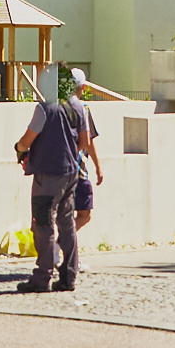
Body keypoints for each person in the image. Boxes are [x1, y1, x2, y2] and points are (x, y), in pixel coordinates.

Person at [12, 64, 96, 292]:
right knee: (67, 223)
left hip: (47, 174)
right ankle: (69, 277)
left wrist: (19, 148)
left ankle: (42, 277)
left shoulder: (45, 108)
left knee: (43, 224)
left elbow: (26, 141)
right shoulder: (78, 107)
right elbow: (84, 142)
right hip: (71, 173)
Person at [69, 68, 106, 244]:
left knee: (64, 214)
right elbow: (88, 141)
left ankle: (65, 253)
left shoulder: (57, 107)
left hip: (57, 170)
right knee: (84, 214)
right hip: (77, 171)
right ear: (83, 87)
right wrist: (98, 167)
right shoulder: (83, 108)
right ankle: (59, 246)